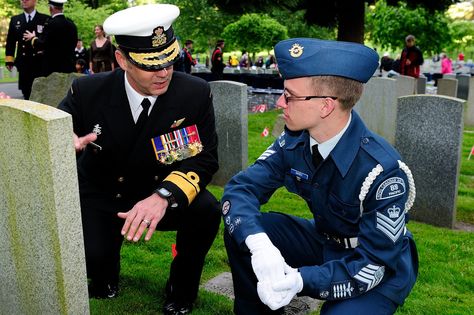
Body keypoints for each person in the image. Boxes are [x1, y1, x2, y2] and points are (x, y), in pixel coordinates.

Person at [222, 38, 418, 314]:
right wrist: (259, 244)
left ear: (326, 106)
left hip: (374, 264)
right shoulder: (296, 140)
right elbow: (241, 189)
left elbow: (374, 263)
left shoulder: (383, 171)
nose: (280, 102)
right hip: (325, 239)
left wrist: (300, 280)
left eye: (289, 96)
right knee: (247, 229)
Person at [57, 4, 221, 315]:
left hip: (157, 189)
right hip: (105, 194)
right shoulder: (87, 91)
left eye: (169, 61)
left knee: (207, 211)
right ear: (122, 59)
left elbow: (205, 158)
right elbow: (54, 132)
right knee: (95, 262)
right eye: (150, 64)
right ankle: (105, 273)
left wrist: (163, 196)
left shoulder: (194, 93)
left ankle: (181, 290)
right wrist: (66, 143)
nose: (163, 72)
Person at [5, 0, 49, 100]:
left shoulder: (45, 19)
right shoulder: (15, 20)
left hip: (39, 63)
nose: (24, 1)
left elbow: (48, 41)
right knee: (26, 92)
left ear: (35, 1)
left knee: (40, 93)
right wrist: (9, 60)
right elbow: (11, 42)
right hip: (24, 63)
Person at [23, 0, 77, 76]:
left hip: (52, 68)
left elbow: (42, 44)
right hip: (68, 67)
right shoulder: (71, 24)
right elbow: (74, 43)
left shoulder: (50, 24)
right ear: (62, 8)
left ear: (51, 8)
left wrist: (33, 38)